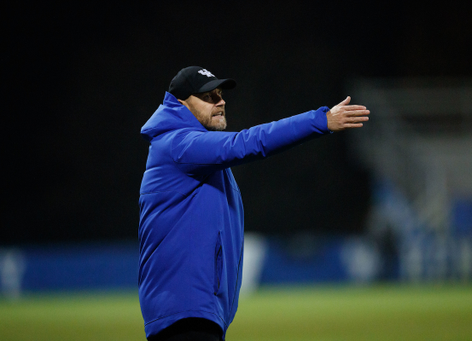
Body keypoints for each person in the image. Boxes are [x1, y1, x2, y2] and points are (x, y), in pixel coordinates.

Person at [138, 66, 370, 341]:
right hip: (185, 313)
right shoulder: (179, 145)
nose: (220, 101)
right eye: (208, 96)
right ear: (181, 103)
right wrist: (319, 121)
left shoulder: (193, 152)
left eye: (220, 94)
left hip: (192, 311)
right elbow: (246, 142)